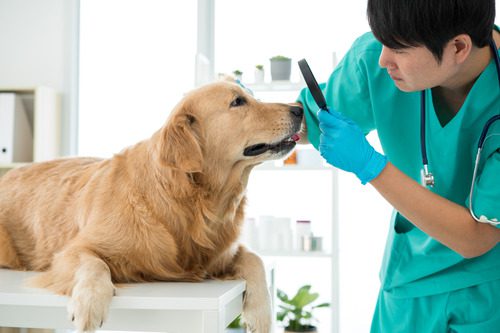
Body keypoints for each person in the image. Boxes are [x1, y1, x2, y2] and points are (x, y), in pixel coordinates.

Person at [296, 0, 500, 331]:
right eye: (382, 41)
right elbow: (307, 121)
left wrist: (370, 166)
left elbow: (477, 236)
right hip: (409, 282)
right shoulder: (373, 59)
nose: (383, 60)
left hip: (489, 290)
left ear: (459, 47)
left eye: (400, 49)